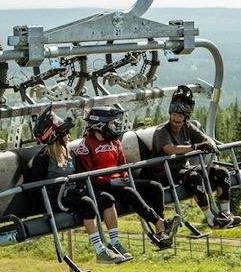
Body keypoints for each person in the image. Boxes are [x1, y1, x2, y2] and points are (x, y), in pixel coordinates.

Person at [28, 109, 130, 264]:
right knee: (87, 203)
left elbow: (80, 174)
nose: (69, 135)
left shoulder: (69, 153)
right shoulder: (43, 159)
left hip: (74, 192)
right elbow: (36, 186)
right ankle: (99, 250)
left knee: (106, 199)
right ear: (57, 136)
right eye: (66, 133)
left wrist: (83, 187)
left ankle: (115, 243)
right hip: (59, 198)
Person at [76, 106, 179, 252]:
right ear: (100, 125)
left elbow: (123, 166)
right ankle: (160, 223)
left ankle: (160, 232)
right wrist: (112, 182)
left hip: (120, 182)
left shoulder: (115, 142)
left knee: (154, 186)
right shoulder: (86, 146)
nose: (115, 126)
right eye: (111, 123)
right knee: (128, 191)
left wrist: (125, 178)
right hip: (102, 186)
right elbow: (89, 175)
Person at [152, 85, 241, 228]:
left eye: (180, 116)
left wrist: (211, 145)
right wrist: (195, 147)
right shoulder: (162, 131)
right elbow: (170, 149)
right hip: (166, 172)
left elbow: (206, 139)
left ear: (185, 118)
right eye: (174, 115)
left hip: (183, 168)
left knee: (221, 172)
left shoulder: (188, 128)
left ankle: (225, 213)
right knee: (194, 177)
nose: (176, 119)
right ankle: (210, 218)